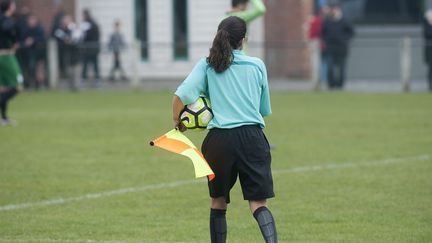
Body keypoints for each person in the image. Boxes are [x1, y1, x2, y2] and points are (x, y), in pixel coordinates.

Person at [173, 16, 277, 243]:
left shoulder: (208, 64)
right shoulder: (257, 65)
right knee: (258, 203)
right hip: (252, 138)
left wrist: (177, 122)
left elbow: (182, 94)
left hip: (219, 142)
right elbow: (263, 108)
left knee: (218, 201)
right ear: (243, 40)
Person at [0, 0, 23, 126]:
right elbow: (8, 29)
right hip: (7, 56)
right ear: (9, 7)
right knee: (17, 86)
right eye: (13, 4)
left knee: (3, 89)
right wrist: (15, 41)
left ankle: (3, 118)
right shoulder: (7, 21)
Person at [322, 2, 354, 89]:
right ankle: (331, 85)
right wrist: (326, 41)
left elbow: (351, 32)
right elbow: (323, 32)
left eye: (334, 9)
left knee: (341, 67)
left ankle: (340, 85)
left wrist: (344, 40)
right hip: (330, 47)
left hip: (342, 47)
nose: (333, 11)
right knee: (330, 66)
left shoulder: (345, 21)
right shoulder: (327, 22)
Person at [53, 14, 80, 91]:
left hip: (75, 53)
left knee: (75, 69)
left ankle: (75, 86)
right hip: (65, 53)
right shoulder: (60, 29)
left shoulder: (74, 28)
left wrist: (70, 40)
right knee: (68, 70)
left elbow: (76, 38)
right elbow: (56, 36)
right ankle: (71, 85)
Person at [20, 14, 47, 90]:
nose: (32, 22)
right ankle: (31, 83)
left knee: (40, 69)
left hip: (39, 53)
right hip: (29, 53)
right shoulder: (25, 29)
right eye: (30, 20)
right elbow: (21, 38)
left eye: (33, 20)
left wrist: (33, 40)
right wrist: (26, 42)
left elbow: (43, 38)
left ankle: (40, 84)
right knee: (31, 68)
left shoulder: (40, 29)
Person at [308, 6, 330, 84]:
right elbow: (313, 34)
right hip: (316, 42)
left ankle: (321, 81)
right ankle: (316, 82)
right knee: (316, 64)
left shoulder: (322, 21)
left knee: (322, 64)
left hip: (322, 43)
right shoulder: (317, 21)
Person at [80, 9, 100, 86]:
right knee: (92, 64)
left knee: (91, 64)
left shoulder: (89, 24)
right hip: (92, 48)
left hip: (90, 48)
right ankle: (94, 79)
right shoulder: (93, 23)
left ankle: (87, 79)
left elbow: (85, 36)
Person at [423, 9, 432, 92]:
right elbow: (427, 34)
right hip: (430, 50)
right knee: (430, 68)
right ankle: (430, 86)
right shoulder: (426, 24)